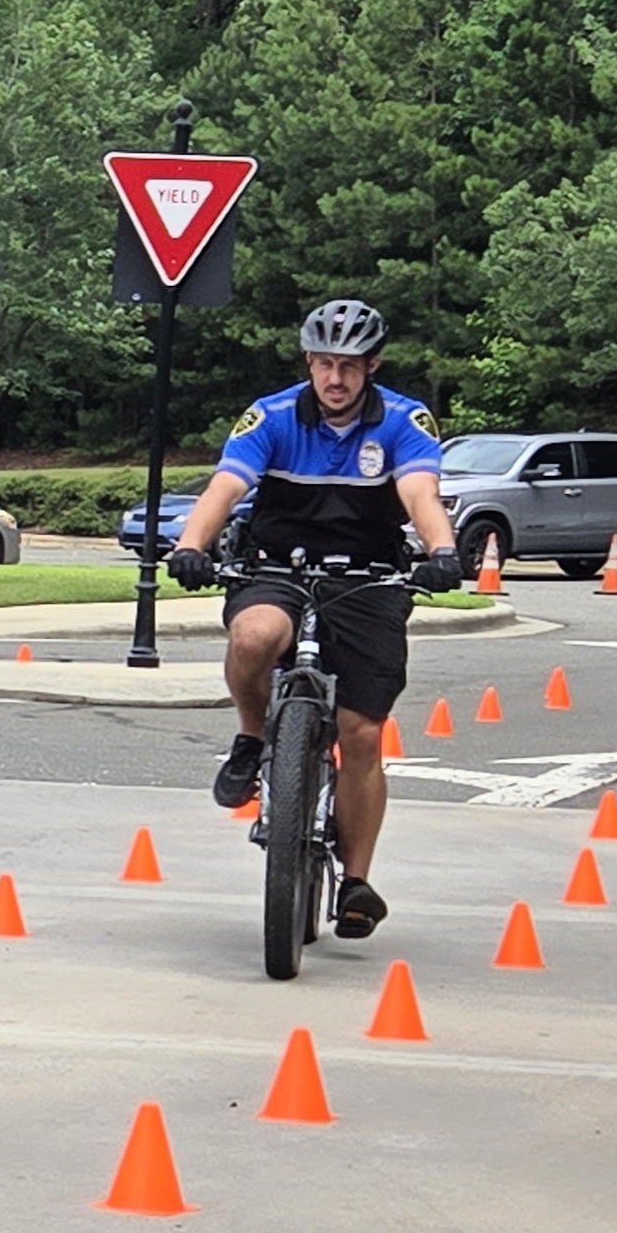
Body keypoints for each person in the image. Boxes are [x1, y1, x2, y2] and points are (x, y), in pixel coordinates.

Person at [166, 298, 462, 941]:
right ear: (308, 362)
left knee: (360, 731)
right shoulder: (271, 416)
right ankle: (251, 738)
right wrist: (191, 546)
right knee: (256, 635)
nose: (336, 379)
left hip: (369, 574)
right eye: (325, 364)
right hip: (277, 563)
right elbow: (224, 488)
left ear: (372, 367)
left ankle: (355, 881)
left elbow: (420, 494)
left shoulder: (404, 420)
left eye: (350, 367)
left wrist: (442, 551)